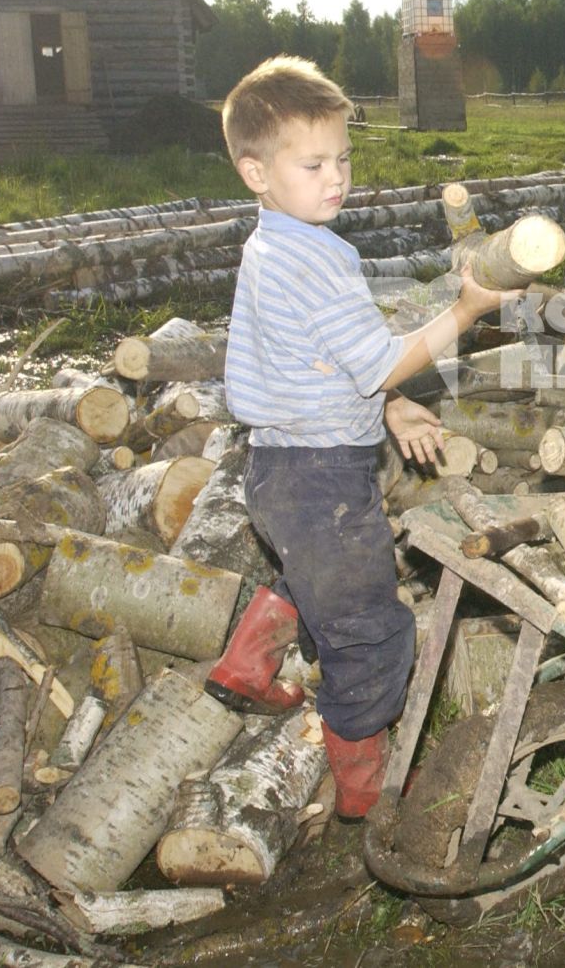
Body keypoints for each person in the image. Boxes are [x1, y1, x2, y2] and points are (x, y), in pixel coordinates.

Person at [205, 55, 511, 819]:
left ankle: (247, 663)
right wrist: (465, 312)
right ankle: (363, 783)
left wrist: (393, 407)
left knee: (320, 572)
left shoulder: (274, 247)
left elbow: (321, 367)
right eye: (312, 164)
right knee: (372, 628)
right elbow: (375, 358)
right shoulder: (313, 260)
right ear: (256, 172)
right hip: (317, 473)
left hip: (282, 465)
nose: (335, 176)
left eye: (342, 157)